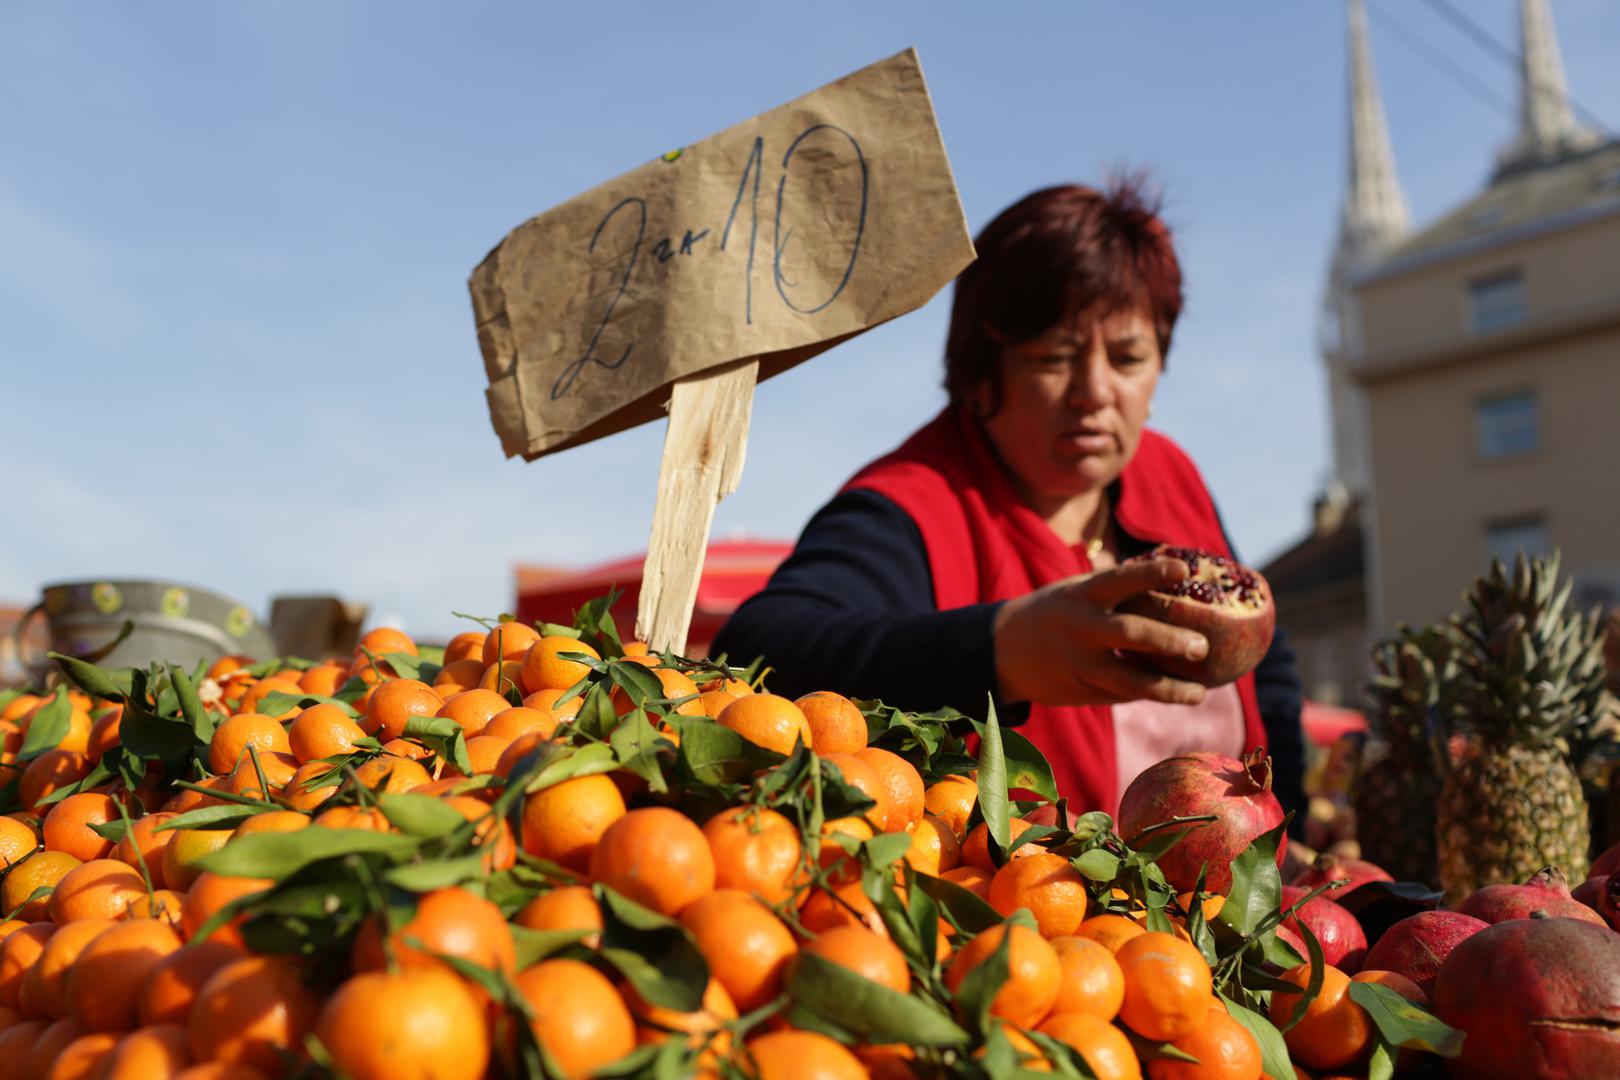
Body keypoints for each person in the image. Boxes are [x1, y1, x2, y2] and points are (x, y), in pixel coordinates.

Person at [712, 178, 1306, 823]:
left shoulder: (1173, 474)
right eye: (1054, 357)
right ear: (980, 369)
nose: (1095, 390)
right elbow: (757, 649)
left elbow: (1267, 661)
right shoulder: (907, 504)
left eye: (1129, 357)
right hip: (1038, 911)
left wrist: (1293, 813)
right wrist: (998, 651)